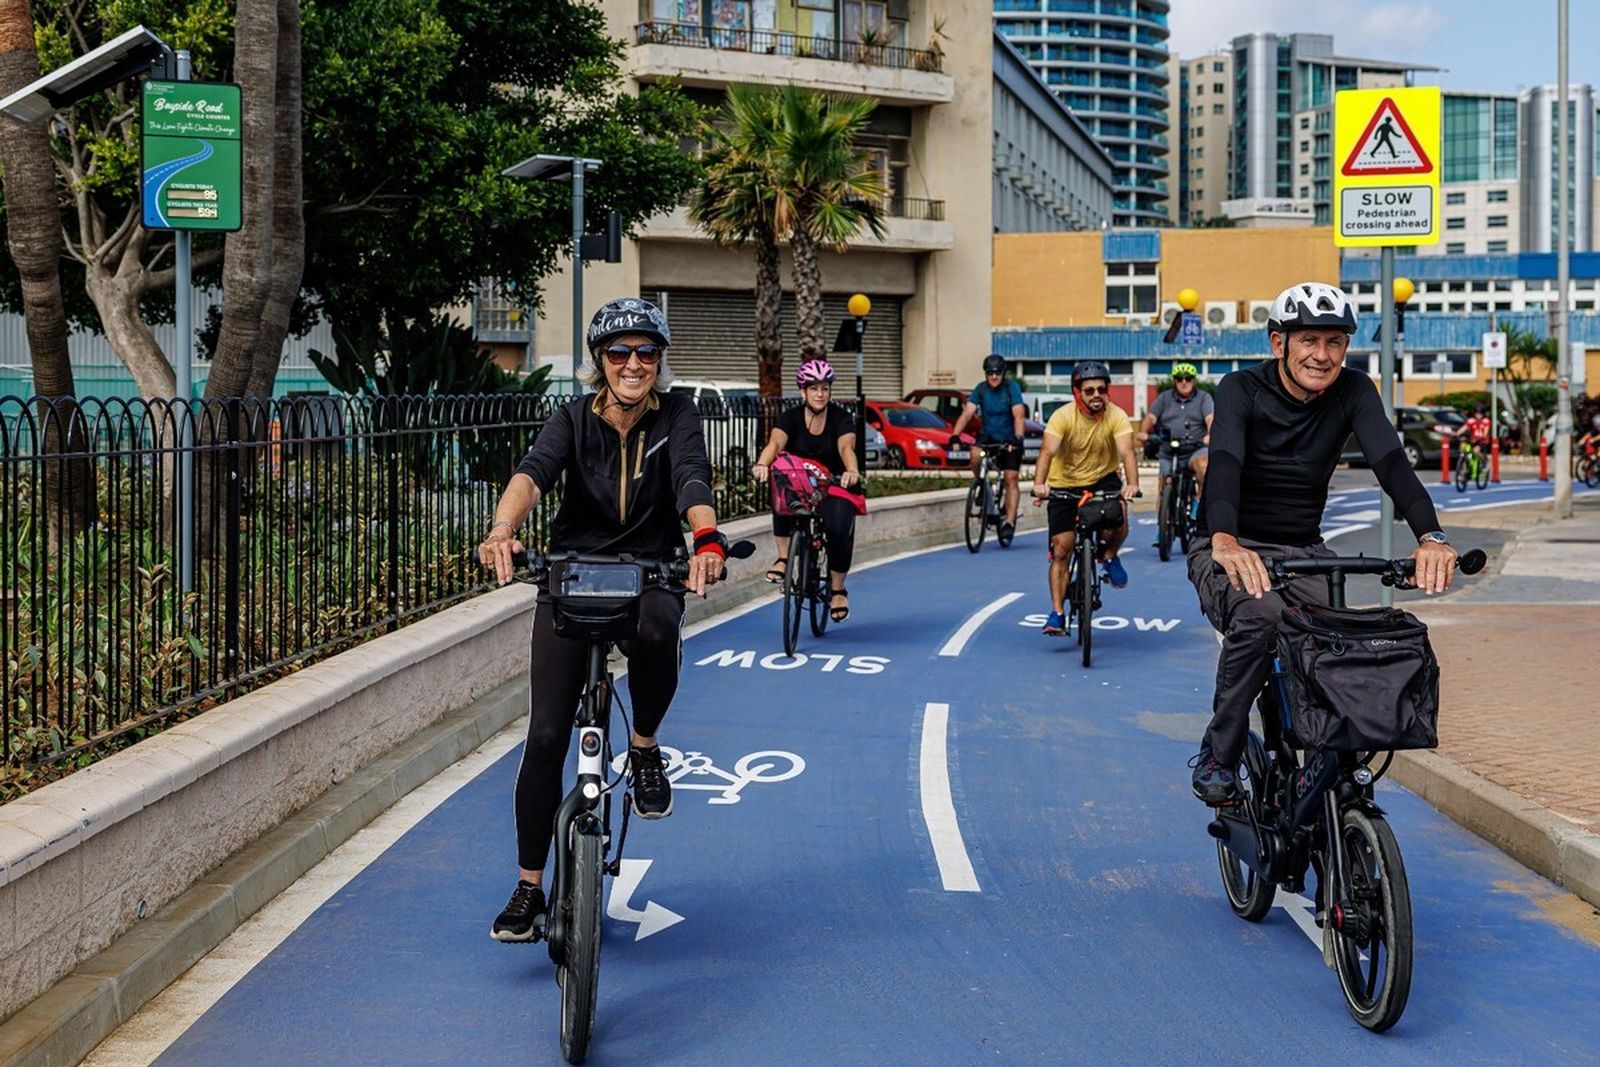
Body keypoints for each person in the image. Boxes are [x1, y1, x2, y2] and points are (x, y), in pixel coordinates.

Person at [477, 297, 731, 942]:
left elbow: (692, 480)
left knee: (655, 629)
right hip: (574, 573)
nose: (634, 364)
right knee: (543, 740)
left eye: (647, 352)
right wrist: (503, 529)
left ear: (659, 360)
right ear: (600, 361)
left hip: (650, 569)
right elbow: (532, 475)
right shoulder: (571, 418)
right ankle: (530, 888)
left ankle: (644, 749)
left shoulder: (677, 414)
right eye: (620, 352)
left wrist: (705, 539)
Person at [1188, 282, 1458, 807]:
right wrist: (1224, 539)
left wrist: (1431, 536)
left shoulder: (1355, 390)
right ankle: (1220, 752)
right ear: (1277, 343)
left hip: (1305, 549)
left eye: (1335, 342)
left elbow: (1391, 463)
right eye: (1308, 339)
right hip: (1230, 544)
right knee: (1262, 616)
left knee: (1340, 635)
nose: (1322, 354)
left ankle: (1325, 771)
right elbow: (1226, 463)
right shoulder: (1239, 388)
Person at [1029, 360, 1140, 636]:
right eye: (1089, 390)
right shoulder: (1062, 417)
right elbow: (1046, 451)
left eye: (1101, 390)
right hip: (1063, 484)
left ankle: (1110, 555)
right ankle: (1057, 613)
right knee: (1062, 549)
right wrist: (1039, 484)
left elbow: (1127, 452)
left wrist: (1133, 484)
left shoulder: (1116, 415)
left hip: (1103, 478)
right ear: (1077, 392)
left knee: (1119, 516)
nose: (1096, 396)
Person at [751, 359, 863, 623]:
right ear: (803, 391)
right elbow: (775, 443)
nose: (820, 394)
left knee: (838, 529)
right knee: (780, 483)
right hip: (800, 484)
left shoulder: (842, 418)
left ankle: (837, 589)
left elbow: (847, 447)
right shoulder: (790, 417)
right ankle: (782, 557)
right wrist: (762, 464)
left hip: (834, 484)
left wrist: (852, 472)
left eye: (824, 388)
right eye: (814, 388)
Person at [949, 354, 1027, 540]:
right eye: (990, 373)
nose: (994, 376)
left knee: (1011, 478)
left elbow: (1018, 415)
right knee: (975, 454)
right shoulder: (981, 389)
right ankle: (983, 486)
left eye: (997, 373)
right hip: (988, 436)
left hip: (1009, 439)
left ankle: (1009, 521)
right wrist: (955, 435)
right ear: (985, 374)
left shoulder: (1011, 388)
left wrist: (1018, 437)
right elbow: (968, 413)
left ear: (1003, 373)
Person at [1137, 361, 1213, 524]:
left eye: (1188, 379)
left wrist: (1211, 434)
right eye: (1179, 379)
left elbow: (1210, 418)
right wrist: (1143, 432)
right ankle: (1162, 525)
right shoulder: (1164, 398)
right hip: (1168, 450)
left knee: (1204, 466)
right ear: (1175, 381)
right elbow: (1150, 417)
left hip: (1196, 448)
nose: (1184, 382)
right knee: (1163, 485)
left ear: (1194, 380)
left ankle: (1198, 501)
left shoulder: (1203, 398)